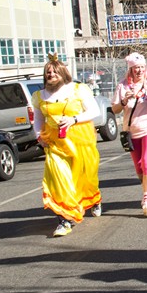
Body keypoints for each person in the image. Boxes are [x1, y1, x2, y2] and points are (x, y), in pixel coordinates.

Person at [32, 55, 102, 237]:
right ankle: (65, 219)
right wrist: (38, 135)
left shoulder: (78, 90)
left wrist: (74, 119)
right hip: (55, 144)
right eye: (48, 72)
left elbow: (94, 111)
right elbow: (38, 118)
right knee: (58, 180)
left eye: (55, 71)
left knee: (85, 178)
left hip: (81, 141)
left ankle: (93, 199)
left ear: (63, 73)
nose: (51, 75)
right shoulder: (39, 96)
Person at [111, 52, 147, 217]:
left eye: (142, 67)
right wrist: (124, 102)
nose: (139, 71)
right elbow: (115, 110)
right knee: (139, 167)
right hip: (131, 131)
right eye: (136, 68)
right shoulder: (123, 86)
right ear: (131, 69)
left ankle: (146, 201)